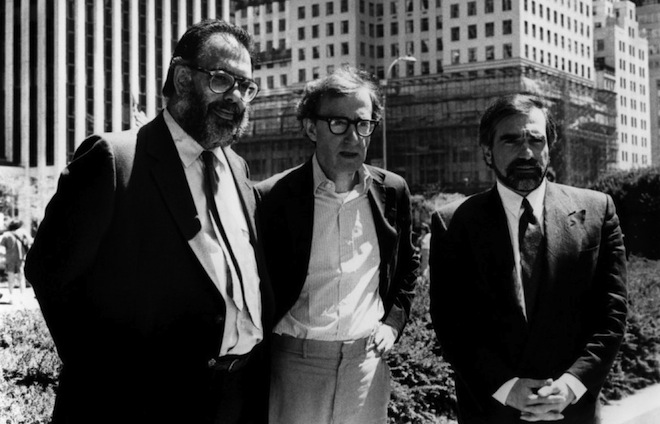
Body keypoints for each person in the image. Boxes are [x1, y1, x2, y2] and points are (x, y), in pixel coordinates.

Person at [25, 19, 273, 424]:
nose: (237, 98)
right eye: (223, 80)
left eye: (246, 87)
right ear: (181, 77)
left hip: (234, 398)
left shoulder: (239, 168)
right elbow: (49, 271)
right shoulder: (114, 160)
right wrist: (105, 379)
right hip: (140, 405)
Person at [429, 94, 627, 424]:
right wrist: (507, 388)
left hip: (572, 410)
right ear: (487, 152)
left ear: (550, 147)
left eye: (536, 140)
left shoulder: (597, 211)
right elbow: (452, 323)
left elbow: (612, 313)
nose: (526, 152)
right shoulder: (453, 224)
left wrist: (571, 385)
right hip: (490, 412)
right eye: (511, 140)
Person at [255, 67, 419, 424]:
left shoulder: (393, 191)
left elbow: (408, 265)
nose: (353, 137)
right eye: (338, 123)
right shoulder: (272, 198)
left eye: (363, 124)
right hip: (295, 366)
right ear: (311, 128)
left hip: (366, 368)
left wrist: (392, 323)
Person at [1, 219, 31, 301]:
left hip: (10, 259)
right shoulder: (23, 233)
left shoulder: (6, 235)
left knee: (11, 278)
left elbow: (1, 247)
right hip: (21, 259)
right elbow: (30, 242)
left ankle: (11, 297)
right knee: (21, 278)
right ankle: (22, 297)